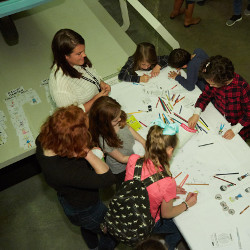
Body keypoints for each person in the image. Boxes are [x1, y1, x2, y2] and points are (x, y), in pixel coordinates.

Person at [36, 105, 116, 250]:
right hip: (86, 208)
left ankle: (92, 245)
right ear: (72, 143)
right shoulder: (63, 171)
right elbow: (108, 179)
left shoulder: (44, 139)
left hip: (71, 200)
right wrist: (88, 153)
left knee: (88, 227)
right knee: (111, 233)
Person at [125, 120, 198, 250]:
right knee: (183, 227)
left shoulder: (134, 159)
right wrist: (186, 204)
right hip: (149, 221)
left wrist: (167, 191)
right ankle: (167, 247)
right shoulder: (167, 182)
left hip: (129, 211)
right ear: (169, 150)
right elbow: (166, 214)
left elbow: (145, 183)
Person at [88, 96, 146, 189]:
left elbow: (129, 128)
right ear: (105, 123)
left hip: (131, 156)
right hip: (121, 169)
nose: (119, 119)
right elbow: (122, 159)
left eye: (119, 115)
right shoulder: (105, 140)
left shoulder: (118, 118)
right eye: (116, 120)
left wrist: (144, 142)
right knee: (125, 186)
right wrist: (142, 158)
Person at [188, 55, 250, 140]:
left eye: (213, 84)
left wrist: (236, 129)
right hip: (220, 117)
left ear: (223, 82)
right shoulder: (214, 79)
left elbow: (248, 113)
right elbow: (205, 96)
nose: (210, 85)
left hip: (238, 125)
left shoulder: (242, 88)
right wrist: (196, 112)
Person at [49, 29, 111, 113]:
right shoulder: (60, 86)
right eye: (79, 53)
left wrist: (100, 82)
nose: (84, 55)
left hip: (98, 106)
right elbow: (70, 115)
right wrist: (95, 100)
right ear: (65, 56)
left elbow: (91, 72)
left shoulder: (77, 59)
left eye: (83, 51)